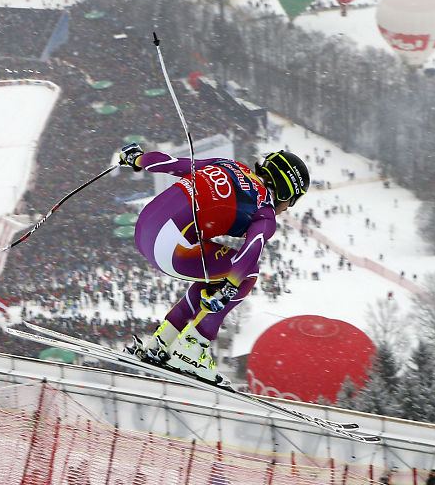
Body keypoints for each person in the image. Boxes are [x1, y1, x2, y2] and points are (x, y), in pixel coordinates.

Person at [118, 143, 310, 385]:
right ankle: (193, 347)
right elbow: (252, 249)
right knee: (247, 274)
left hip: (143, 229)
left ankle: (163, 341)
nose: (287, 208)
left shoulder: (228, 164)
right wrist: (230, 287)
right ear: (285, 193)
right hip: (169, 248)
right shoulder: (265, 211)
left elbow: (170, 164)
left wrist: (137, 159)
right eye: (292, 201)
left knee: (216, 275)